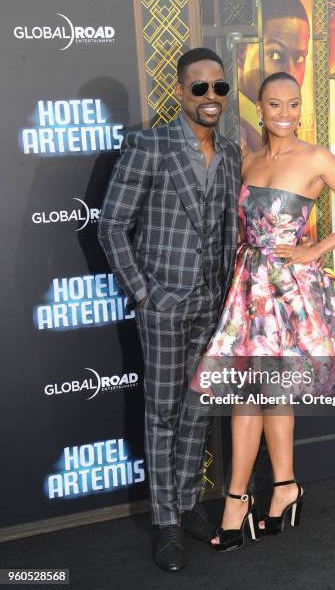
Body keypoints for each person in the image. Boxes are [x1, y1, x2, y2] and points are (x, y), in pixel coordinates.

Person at [190, 72, 335, 551]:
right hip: (249, 289)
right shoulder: (247, 160)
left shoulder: (315, 157)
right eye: (275, 105)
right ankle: (281, 488)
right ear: (259, 108)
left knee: (265, 392)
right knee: (254, 392)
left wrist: (316, 251)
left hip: (289, 291)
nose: (286, 114)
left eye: (293, 104)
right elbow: (239, 228)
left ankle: (241, 500)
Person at [98, 48, 242, 571]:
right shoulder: (150, 146)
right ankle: (165, 524)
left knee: (198, 412)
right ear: (181, 92)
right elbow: (111, 225)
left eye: (219, 88)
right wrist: (142, 292)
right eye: (200, 88)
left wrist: (228, 295)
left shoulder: (230, 153)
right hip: (161, 303)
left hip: (211, 302)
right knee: (162, 415)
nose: (211, 97)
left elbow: (227, 229)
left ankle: (186, 504)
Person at [238, 0, 310, 153]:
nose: (290, 73)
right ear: (242, 54)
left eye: (299, 58)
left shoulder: (313, 156)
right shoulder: (232, 133)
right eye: (276, 56)